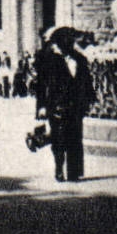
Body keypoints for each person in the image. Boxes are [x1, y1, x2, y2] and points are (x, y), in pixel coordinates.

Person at [36, 27, 94, 182]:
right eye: (66, 41)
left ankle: (74, 172)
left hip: (75, 106)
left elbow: (87, 82)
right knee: (59, 139)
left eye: (71, 40)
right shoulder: (49, 60)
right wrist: (41, 106)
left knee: (75, 138)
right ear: (59, 43)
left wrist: (89, 100)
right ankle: (59, 168)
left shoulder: (80, 60)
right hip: (57, 106)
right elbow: (41, 85)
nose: (69, 43)